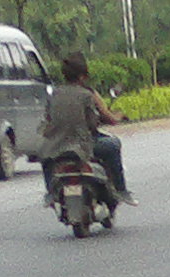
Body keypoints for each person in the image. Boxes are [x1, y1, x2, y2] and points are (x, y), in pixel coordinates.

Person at [38, 55, 133, 204]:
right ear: (82, 76)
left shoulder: (54, 94)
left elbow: (47, 121)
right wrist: (117, 117)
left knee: (45, 156)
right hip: (82, 146)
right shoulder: (87, 94)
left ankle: (50, 192)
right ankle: (121, 190)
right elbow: (94, 122)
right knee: (113, 145)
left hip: (56, 146)